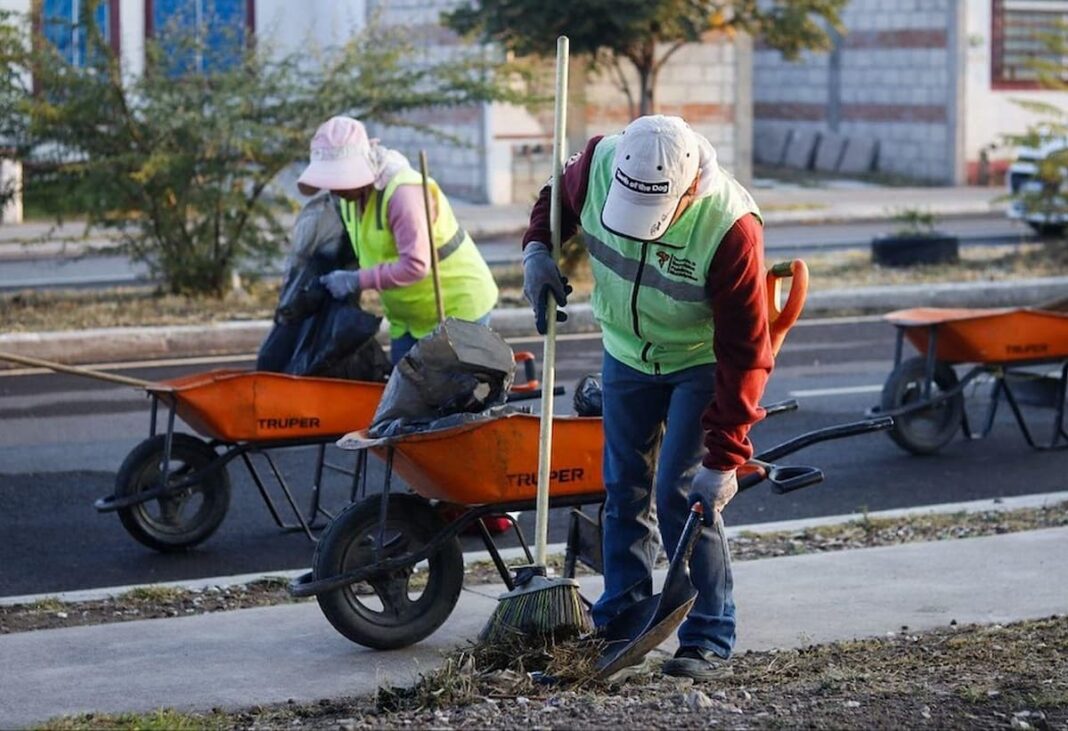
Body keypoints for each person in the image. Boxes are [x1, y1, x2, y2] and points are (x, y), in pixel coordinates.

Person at [520, 115, 773, 680]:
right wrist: (537, 250)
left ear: (686, 191)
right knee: (623, 488)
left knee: (685, 494)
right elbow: (552, 202)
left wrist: (725, 457)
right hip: (625, 352)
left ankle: (709, 633)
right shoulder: (599, 164)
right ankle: (625, 611)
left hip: (697, 362)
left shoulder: (731, 227)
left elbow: (747, 352)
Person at [297, 115, 499, 364]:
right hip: (407, 319)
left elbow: (415, 265)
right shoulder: (350, 198)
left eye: (338, 179)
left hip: (455, 310)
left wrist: (355, 280)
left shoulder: (403, 194)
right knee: (405, 398)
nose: (334, 189)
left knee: (452, 398)